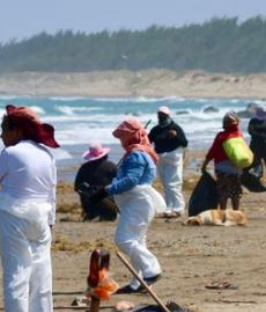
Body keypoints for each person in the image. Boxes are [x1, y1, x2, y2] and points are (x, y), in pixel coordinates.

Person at [0, 105, 58, 312]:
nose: (1, 137)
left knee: (16, 272)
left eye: (4, 130)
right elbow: (52, 191)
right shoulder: (47, 155)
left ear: (15, 131)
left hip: (13, 214)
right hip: (41, 216)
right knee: (41, 275)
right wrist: (51, 221)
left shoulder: (11, 153)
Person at [105, 117, 165, 294]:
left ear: (131, 136)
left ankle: (152, 270)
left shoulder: (137, 154)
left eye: (123, 137)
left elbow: (131, 180)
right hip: (136, 203)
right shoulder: (139, 152)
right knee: (138, 241)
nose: (121, 141)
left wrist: (107, 190)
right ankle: (137, 283)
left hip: (138, 202)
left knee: (124, 240)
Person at [201, 113, 246, 213]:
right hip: (236, 168)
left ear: (224, 124)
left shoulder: (221, 136)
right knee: (236, 192)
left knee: (223, 192)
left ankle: (222, 214)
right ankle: (236, 213)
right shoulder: (239, 134)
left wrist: (204, 165)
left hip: (222, 168)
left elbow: (212, 152)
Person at [149, 106, 188, 217]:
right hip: (160, 158)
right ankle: (169, 207)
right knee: (166, 184)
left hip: (173, 158)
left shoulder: (175, 127)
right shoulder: (156, 129)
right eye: (159, 115)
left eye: (164, 115)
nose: (161, 117)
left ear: (168, 116)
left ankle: (179, 208)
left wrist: (176, 136)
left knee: (173, 184)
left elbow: (184, 143)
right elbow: (148, 140)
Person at [74, 143, 118, 222]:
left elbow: (77, 187)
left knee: (85, 191)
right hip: (110, 206)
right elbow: (120, 183)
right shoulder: (111, 166)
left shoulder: (84, 168)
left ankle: (92, 213)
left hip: (90, 207)